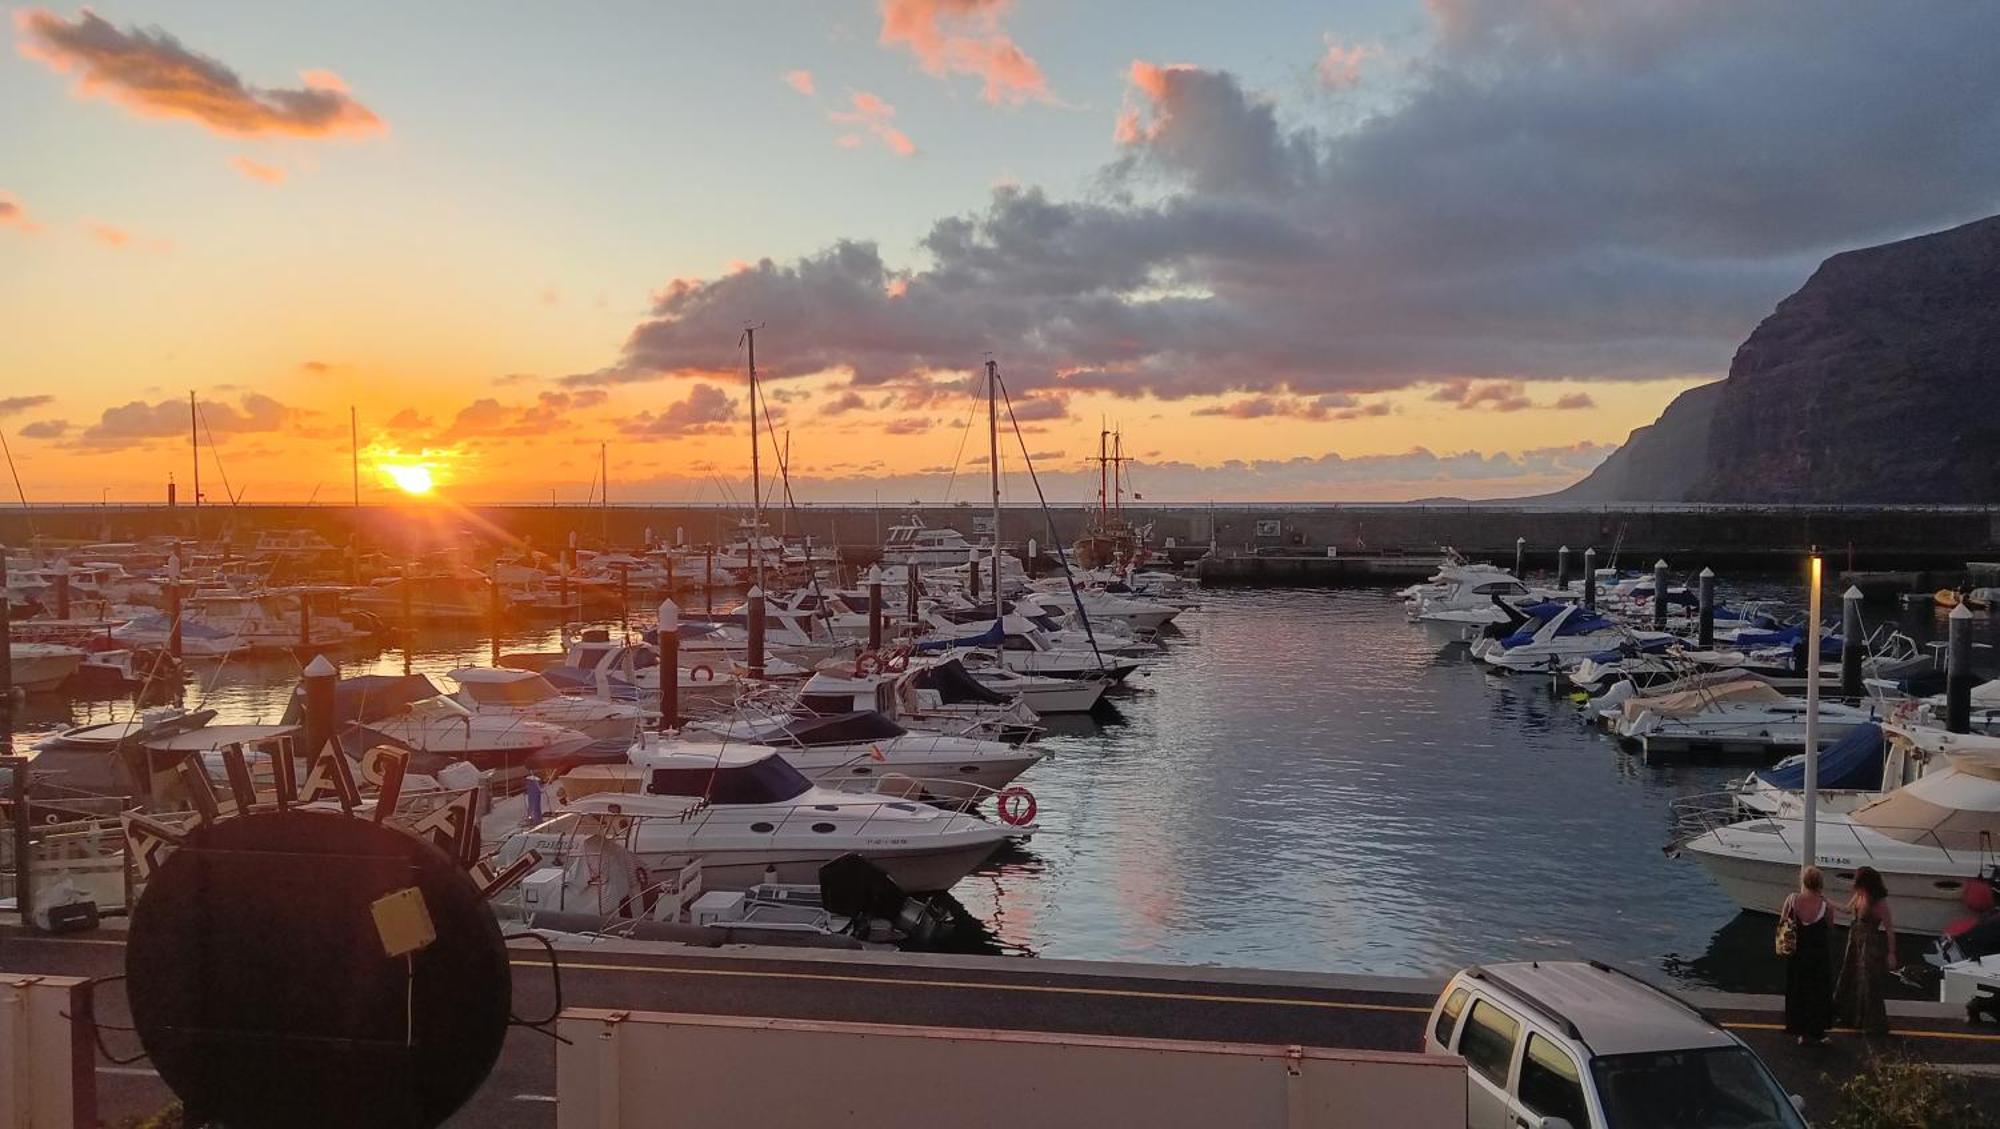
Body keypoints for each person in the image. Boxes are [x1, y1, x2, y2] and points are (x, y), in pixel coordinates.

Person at [1833, 865, 1896, 1036]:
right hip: (1854, 939)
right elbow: (1847, 910)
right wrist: (1826, 901)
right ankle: (1847, 1015)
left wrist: (1891, 953)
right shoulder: (1860, 895)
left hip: (1869, 942)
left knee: (1868, 981)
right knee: (1850, 975)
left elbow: (1889, 929)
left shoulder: (1879, 902)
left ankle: (1871, 1022)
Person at [1780, 867, 1832, 1044]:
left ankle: (1799, 1029)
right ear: (1820, 883)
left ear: (1804, 881)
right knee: (1818, 991)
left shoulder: (1792, 899)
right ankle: (1818, 1030)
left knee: (1797, 989)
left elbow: (1783, 923)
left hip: (1797, 953)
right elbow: (1830, 926)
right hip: (1818, 954)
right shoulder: (1825, 905)